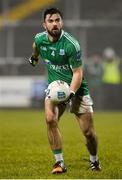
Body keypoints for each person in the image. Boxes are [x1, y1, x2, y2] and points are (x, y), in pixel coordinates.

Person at [29, 7, 101, 174]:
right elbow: (35, 46)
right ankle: (59, 163)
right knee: (50, 119)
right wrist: (34, 57)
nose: (55, 24)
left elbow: (78, 73)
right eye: (51, 21)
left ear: (62, 22)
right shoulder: (39, 39)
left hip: (77, 89)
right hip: (54, 88)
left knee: (88, 132)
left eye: (57, 20)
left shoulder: (71, 44)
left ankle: (94, 160)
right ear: (44, 24)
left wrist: (71, 94)